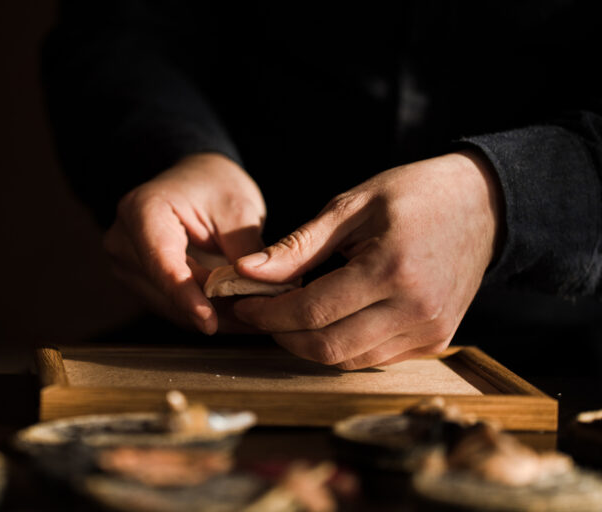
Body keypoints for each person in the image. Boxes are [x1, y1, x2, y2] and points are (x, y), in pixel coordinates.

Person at [42, 1, 602, 370]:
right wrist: (180, 152)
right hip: (224, 341)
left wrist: (502, 200)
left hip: (555, 356)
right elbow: (120, 26)